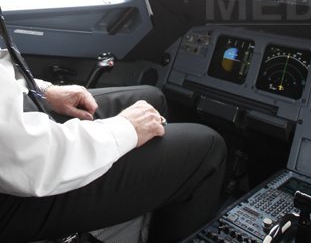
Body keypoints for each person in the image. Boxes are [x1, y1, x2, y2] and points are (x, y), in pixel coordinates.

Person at [0, 31, 227, 242]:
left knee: (152, 99)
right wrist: (126, 129)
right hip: (16, 189)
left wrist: (42, 90)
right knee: (208, 149)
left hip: (16, 131)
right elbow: (31, 159)